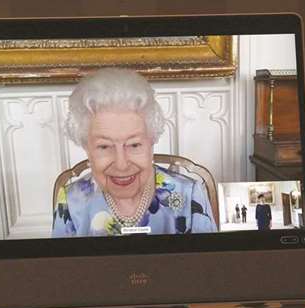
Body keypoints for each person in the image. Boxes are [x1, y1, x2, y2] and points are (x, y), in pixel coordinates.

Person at [52, 68, 217, 237]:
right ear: (86, 147)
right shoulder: (71, 203)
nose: (121, 165)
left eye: (134, 145)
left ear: (151, 141)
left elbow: (210, 263)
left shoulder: (189, 195)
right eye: (104, 147)